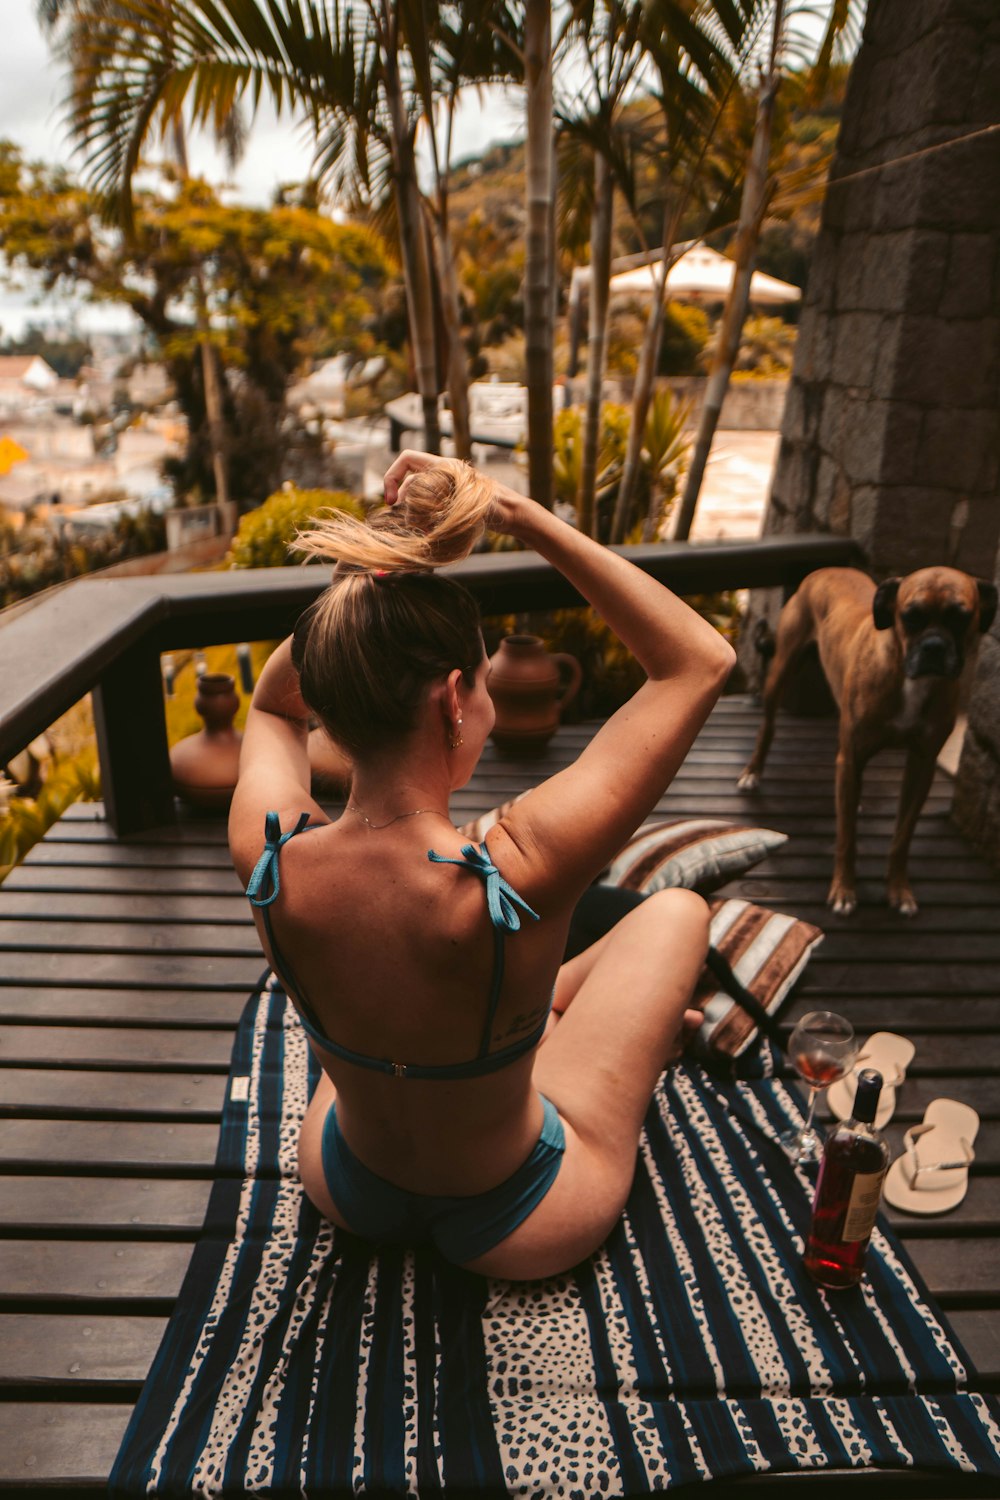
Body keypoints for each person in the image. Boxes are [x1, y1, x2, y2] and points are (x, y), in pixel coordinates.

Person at [228, 451, 735, 1280]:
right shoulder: (525, 861)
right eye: (487, 686)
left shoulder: (270, 851)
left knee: (435, 1023)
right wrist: (518, 516)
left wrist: (375, 572)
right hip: (523, 1215)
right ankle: (574, 1020)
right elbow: (697, 660)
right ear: (455, 700)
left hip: (347, 1184)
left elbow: (272, 703)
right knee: (677, 914)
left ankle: (550, 1010)